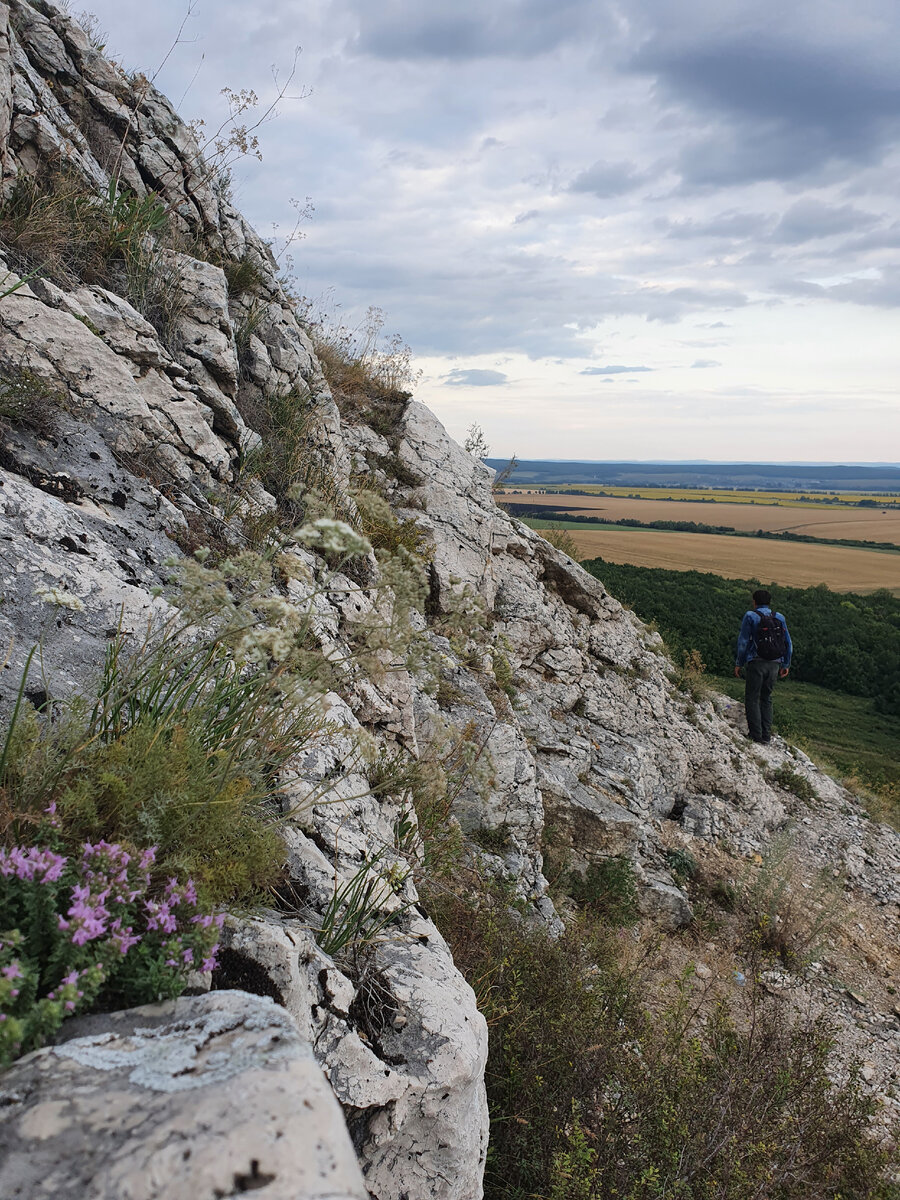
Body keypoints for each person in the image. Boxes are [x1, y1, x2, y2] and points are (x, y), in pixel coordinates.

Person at [733, 588, 792, 744]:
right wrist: (786, 663)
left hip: (757, 662)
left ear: (754, 601)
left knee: (752, 698)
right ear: (769, 602)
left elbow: (743, 642)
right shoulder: (779, 617)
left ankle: (756, 736)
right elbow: (788, 643)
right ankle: (767, 736)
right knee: (766, 698)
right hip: (775, 664)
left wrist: (739, 662)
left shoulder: (750, 616)